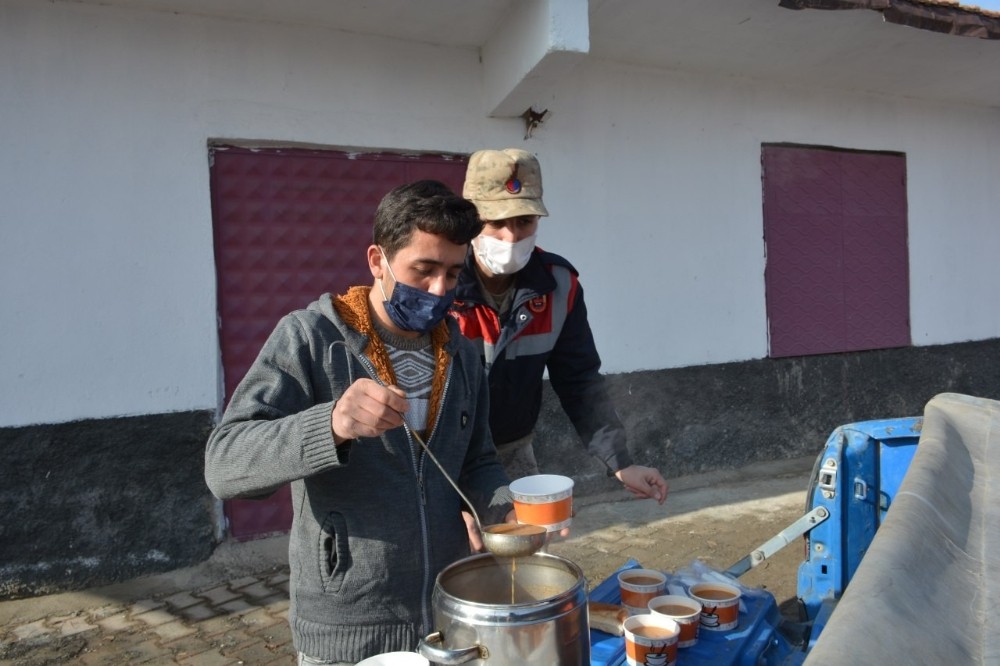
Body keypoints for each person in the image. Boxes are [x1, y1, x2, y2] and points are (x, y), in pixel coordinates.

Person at [204, 180, 514, 665]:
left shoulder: (461, 349)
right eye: (423, 269)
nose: (439, 291)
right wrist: (330, 424)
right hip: (347, 632)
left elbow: (478, 459)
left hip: (449, 619)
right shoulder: (309, 338)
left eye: (453, 274)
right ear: (377, 261)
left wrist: (502, 512)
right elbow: (225, 465)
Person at [452, 148, 669, 505]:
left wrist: (620, 462)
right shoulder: (438, 284)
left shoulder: (557, 286)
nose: (511, 236)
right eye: (496, 222)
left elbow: (579, 379)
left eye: (524, 221)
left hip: (512, 452)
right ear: (470, 220)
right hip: (444, 457)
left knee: (525, 552)